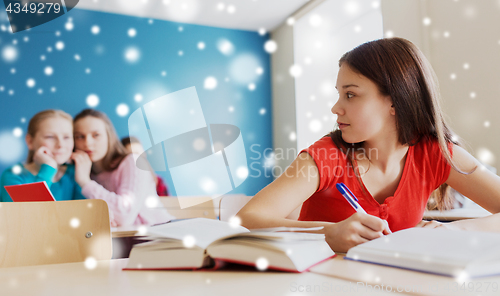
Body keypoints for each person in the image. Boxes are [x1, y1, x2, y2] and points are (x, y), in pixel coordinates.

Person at [237, 37, 500, 253]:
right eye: (339, 94)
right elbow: (248, 219)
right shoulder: (325, 156)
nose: (335, 107)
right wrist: (328, 234)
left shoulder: (436, 154)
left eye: (350, 94)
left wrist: (455, 229)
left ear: (395, 101)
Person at [71, 109, 174, 227]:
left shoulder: (133, 161)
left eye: (96, 135)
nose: (88, 143)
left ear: (109, 136)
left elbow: (124, 215)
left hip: (159, 235)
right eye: (80, 136)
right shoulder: (81, 172)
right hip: (121, 240)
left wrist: (85, 182)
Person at [0, 110, 85, 202]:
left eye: (66, 137)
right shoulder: (14, 175)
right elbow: (29, 213)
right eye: (50, 137)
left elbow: (86, 213)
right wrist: (48, 168)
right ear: (30, 141)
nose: (61, 144)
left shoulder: (74, 174)